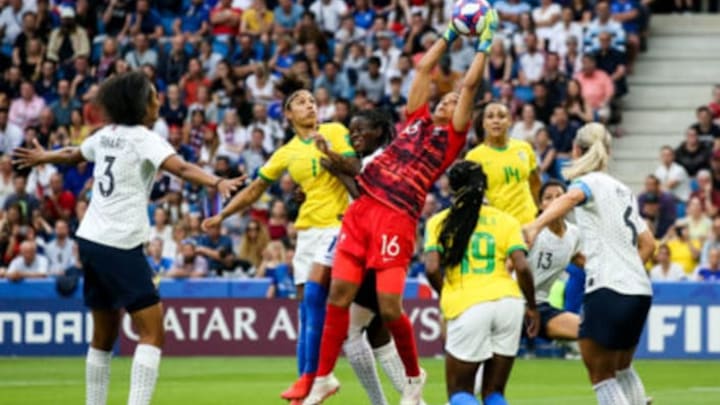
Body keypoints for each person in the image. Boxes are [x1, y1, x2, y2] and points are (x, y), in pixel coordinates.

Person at [13, 71, 244, 405]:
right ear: (138, 104)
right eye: (152, 96)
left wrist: (44, 156)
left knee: (103, 335)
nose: (158, 101)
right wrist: (216, 182)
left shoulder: (107, 134)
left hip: (90, 240)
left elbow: (73, 153)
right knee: (153, 332)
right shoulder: (144, 138)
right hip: (119, 243)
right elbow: (180, 169)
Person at [303, 12, 498, 405]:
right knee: (337, 296)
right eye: (445, 98)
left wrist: (483, 43)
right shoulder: (415, 119)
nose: (449, 100)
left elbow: (471, 84)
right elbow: (424, 66)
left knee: (390, 306)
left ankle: (414, 378)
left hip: (396, 218)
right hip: (362, 210)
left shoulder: (451, 138)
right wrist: (448, 34)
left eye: (454, 100)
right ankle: (323, 378)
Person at [200, 75, 357, 402]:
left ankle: (314, 379)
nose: (310, 104)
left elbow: (354, 168)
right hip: (307, 232)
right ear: (287, 115)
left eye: (312, 100)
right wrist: (222, 215)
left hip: (338, 225)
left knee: (315, 299)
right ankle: (304, 389)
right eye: (301, 101)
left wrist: (331, 157)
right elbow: (256, 189)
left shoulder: (335, 131)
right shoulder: (286, 153)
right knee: (304, 312)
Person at [524, 123, 655, 405]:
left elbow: (571, 197)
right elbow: (649, 244)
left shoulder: (589, 183)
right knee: (621, 368)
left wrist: (535, 225)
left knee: (601, 375)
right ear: (607, 152)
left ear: (575, 151)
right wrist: (628, 270)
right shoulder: (623, 191)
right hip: (640, 292)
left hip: (607, 290)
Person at [423, 161, 538, 405]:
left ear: (452, 188)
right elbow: (522, 266)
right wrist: (533, 306)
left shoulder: (439, 222)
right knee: (494, 393)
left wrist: (448, 292)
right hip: (509, 302)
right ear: (484, 187)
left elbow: (432, 268)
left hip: (468, 304)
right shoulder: (506, 221)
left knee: (460, 392)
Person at [466, 103, 541, 226]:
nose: (496, 121)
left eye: (501, 116)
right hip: (498, 225)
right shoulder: (474, 156)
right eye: (490, 117)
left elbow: (535, 183)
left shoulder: (524, 148)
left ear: (510, 121)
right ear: (484, 123)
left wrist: (539, 212)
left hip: (528, 222)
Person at [527, 180, 583, 341]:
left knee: (589, 332)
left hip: (541, 306)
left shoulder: (574, 234)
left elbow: (582, 261)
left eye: (559, 196)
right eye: (548, 198)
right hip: (513, 304)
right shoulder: (531, 232)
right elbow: (507, 268)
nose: (554, 202)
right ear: (540, 205)